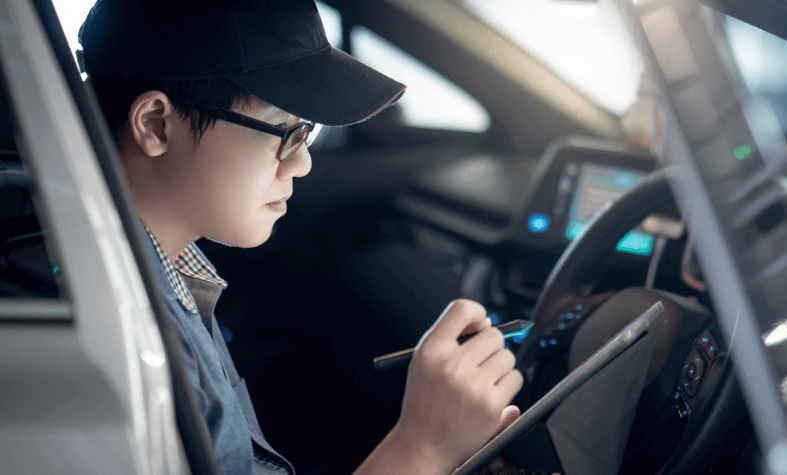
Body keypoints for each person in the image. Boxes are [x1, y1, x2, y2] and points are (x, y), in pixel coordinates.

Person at [77, 1, 523, 474]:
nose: (302, 163)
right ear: (156, 125)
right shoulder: (125, 341)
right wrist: (423, 448)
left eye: (306, 133)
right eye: (284, 132)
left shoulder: (157, 270)